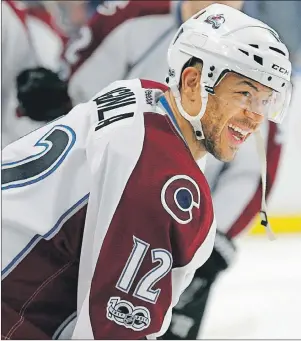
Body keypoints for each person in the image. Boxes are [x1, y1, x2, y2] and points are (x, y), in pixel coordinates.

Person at [1, 4, 292, 340]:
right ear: (193, 81)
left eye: (266, 100)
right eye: (244, 94)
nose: (256, 117)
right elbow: (110, 334)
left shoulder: (137, 93)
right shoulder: (162, 183)